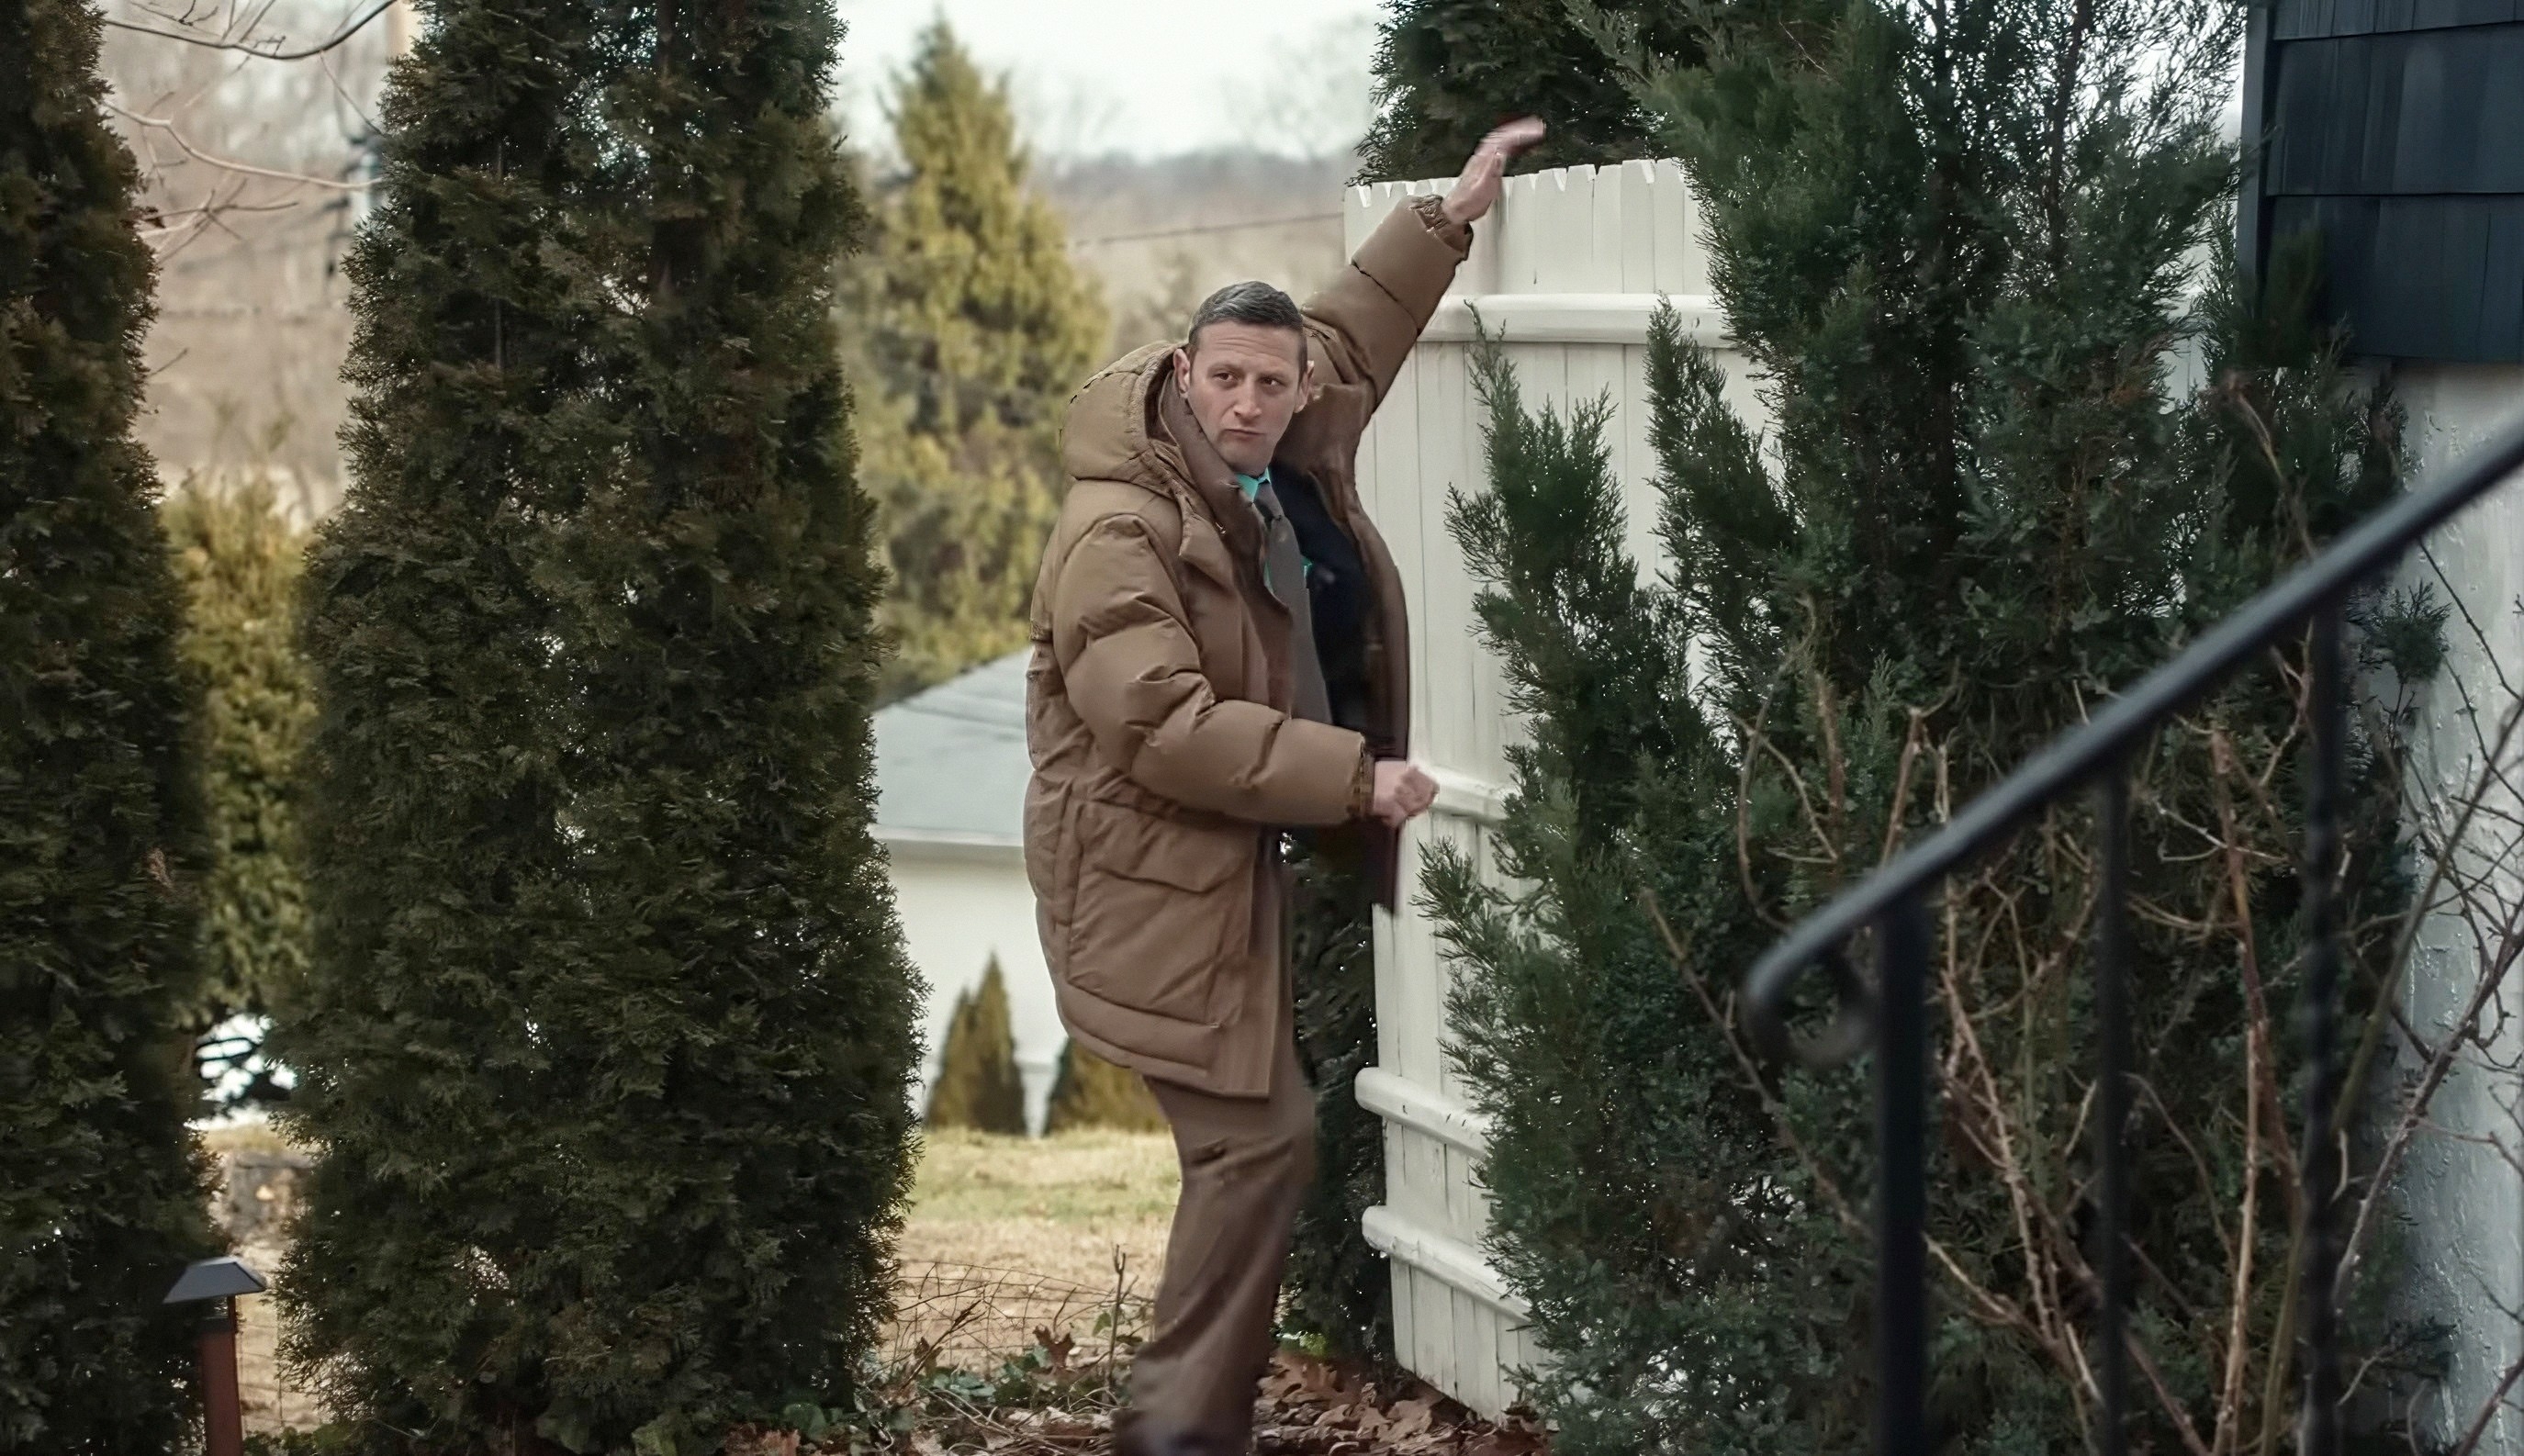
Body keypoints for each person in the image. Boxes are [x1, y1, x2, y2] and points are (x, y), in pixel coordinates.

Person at [1023, 118, 1548, 1456]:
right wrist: (1352, 778)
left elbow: (1351, 335)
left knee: (1262, 1147)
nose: (1254, 400)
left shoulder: (1274, 437)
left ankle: (1187, 1428)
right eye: (1229, 379)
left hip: (1223, 859)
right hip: (1146, 872)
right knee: (1258, 1145)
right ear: (1183, 378)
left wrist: (1449, 215)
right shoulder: (1117, 525)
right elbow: (1161, 723)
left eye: (1273, 380)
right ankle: (1173, 1436)